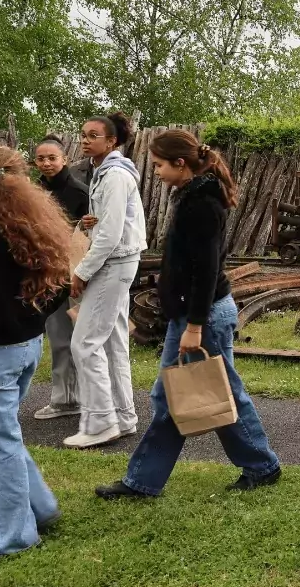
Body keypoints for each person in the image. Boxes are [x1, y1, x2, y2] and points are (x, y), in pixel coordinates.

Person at [96, 130, 281, 499]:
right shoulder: (193, 197)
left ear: (181, 164)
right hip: (196, 316)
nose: (158, 172)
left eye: (160, 165)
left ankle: (259, 466)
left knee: (205, 393)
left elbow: (207, 270)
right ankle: (256, 467)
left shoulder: (201, 204)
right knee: (193, 395)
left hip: (205, 316)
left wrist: (195, 325)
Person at [0, 147, 70, 555]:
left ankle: (13, 537)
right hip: (26, 346)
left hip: (1, 351)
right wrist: (34, 321)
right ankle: (40, 507)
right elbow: (60, 284)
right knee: (3, 433)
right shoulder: (30, 223)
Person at [66, 112, 147, 449]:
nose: (86, 140)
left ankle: (101, 423)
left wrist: (81, 272)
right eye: (84, 135)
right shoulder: (105, 172)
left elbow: (111, 235)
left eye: (94, 135)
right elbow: (110, 223)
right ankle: (123, 415)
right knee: (113, 340)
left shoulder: (114, 175)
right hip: (120, 261)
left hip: (113, 263)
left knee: (84, 344)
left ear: (111, 141)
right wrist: (91, 223)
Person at [32, 135, 89, 422]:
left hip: (78, 274)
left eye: (52, 157)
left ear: (65, 158)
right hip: (48, 275)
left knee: (85, 338)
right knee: (58, 337)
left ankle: (87, 399)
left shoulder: (81, 192)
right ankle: (65, 398)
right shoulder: (33, 193)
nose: (46, 163)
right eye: (41, 158)